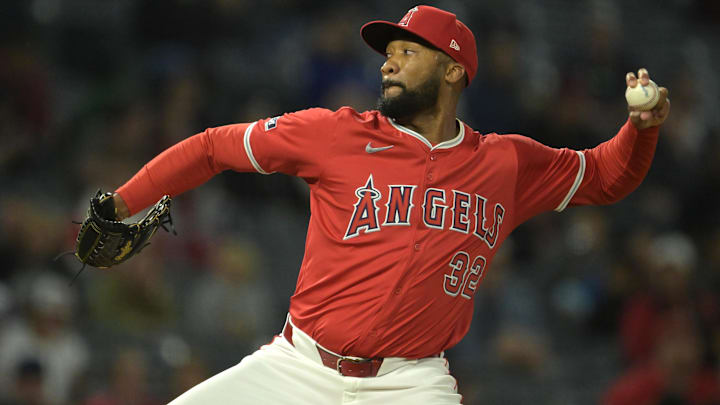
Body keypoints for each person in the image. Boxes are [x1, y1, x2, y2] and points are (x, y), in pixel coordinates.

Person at [103, 5, 670, 404]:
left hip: (411, 384)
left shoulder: (506, 163)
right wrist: (122, 203)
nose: (386, 63)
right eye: (387, 53)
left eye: (406, 51)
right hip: (297, 367)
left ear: (453, 71)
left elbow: (605, 176)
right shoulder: (333, 133)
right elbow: (211, 148)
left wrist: (640, 130)